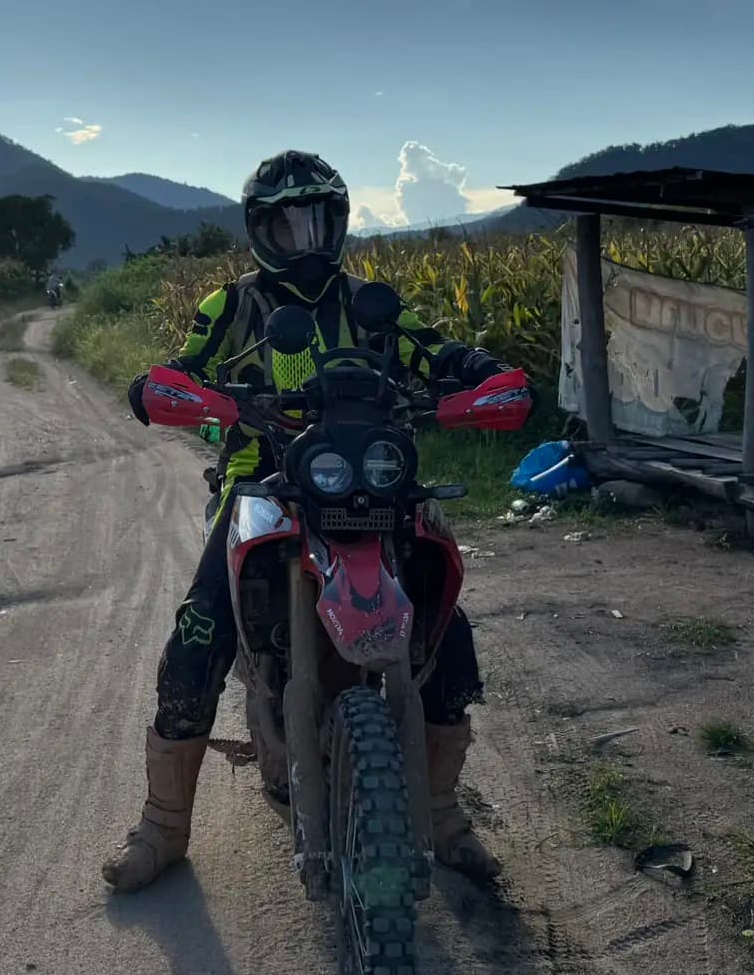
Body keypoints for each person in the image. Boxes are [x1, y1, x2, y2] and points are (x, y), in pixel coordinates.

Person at [103, 149, 510, 893]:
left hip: (375, 476)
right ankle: (162, 826)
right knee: (201, 630)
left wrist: (485, 375)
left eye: (319, 221)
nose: (306, 239)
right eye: (288, 226)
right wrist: (165, 389)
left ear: (340, 221)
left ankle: (445, 815)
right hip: (261, 473)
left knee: (448, 629)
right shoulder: (231, 304)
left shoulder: (372, 299)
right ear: (261, 230)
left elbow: (436, 351)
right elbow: (183, 366)